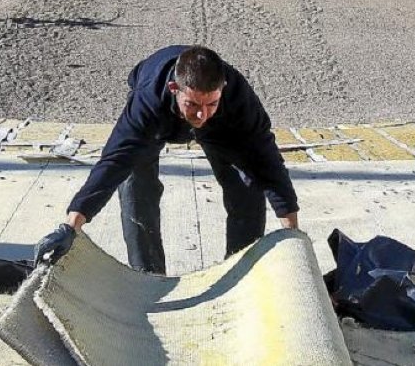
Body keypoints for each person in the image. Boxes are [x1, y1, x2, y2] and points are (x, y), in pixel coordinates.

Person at [35, 45, 299, 273]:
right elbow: (114, 161)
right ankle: (148, 275)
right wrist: (71, 227)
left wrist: (293, 234)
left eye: (211, 104)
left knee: (247, 184)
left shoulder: (238, 97)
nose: (201, 115)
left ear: (223, 89)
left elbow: (267, 160)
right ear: (175, 88)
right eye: (193, 105)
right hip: (159, 119)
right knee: (136, 184)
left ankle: (242, 270)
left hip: (222, 127)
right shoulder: (148, 101)